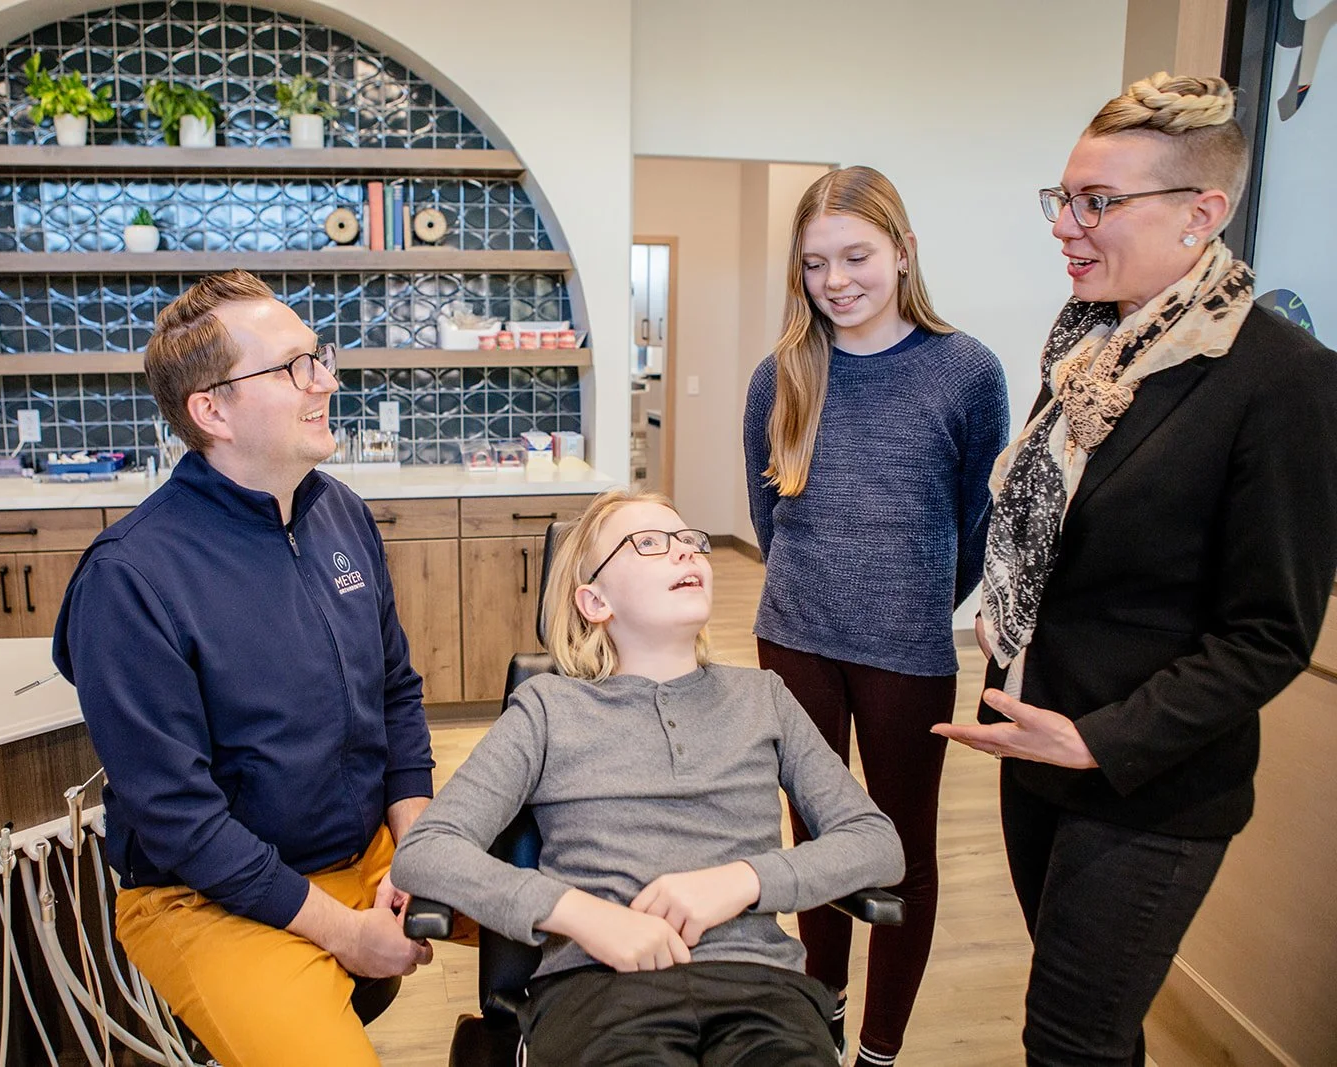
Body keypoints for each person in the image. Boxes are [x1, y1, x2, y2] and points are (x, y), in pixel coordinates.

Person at [934, 73, 1337, 1066]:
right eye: (1062, 198)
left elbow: (1268, 633)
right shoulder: (1088, 350)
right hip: (1037, 750)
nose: (1064, 226)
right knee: (1089, 1029)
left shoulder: (1281, 378)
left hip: (1146, 783)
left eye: (1096, 202)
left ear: (1201, 213)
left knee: (1068, 1040)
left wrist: (1097, 741)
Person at [51, 269, 437, 1066]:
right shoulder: (130, 578)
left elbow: (395, 693)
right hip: (209, 896)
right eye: (293, 366)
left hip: (367, 852)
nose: (325, 380)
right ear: (212, 411)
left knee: (571, 916)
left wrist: (420, 848)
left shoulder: (338, 510)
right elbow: (182, 822)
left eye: (318, 357)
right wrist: (347, 934)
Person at [391, 488, 904, 1067]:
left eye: (690, 540)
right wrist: (584, 916)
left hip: (761, 990)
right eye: (650, 543)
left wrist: (742, 881)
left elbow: (876, 843)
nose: (686, 552)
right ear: (595, 601)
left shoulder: (764, 698)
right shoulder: (548, 711)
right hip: (600, 993)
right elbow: (427, 850)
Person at [742, 165, 1009, 1066]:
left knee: (900, 849)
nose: (836, 281)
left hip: (909, 648)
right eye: (815, 262)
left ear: (902, 251)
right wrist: (823, 585)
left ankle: (880, 1049)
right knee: (817, 840)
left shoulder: (966, 371)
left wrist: (912, 595)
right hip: (795, 639)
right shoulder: (780, 374)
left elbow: (976, 523)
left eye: (855, 256)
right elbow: (767, 518)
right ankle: (820, 1014)